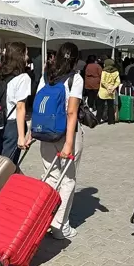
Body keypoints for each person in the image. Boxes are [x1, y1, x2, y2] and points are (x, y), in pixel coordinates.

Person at [37, 42, 83, 240]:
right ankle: (59, 226)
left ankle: (43, 220)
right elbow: (72, 111)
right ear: (74, 59)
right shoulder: (75, 79)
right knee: (68, 180)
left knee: (49, 176)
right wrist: (69, 142)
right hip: (65, 133)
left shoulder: (47, 76)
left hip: (45, 132)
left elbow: (38, 103)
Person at [0, 42, 30, 165]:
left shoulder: (0, 75)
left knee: (2, 162)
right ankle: (7, 184)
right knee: (7, 166)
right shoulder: (23, 78)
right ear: (20, 56)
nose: (28, 56)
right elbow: (20, 107)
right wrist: (21, 136)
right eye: (26, 53)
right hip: (12, 125)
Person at [96, 59, 120, 125]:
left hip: (103, 91)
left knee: (100, 106)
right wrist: (113, 88)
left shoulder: (104, 71)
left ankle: (98, 120)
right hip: (111, 92)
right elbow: (118, 81)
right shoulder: (116, 72)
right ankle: (111, 121)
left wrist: (107, 87)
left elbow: (102, 81)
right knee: (110, 107)